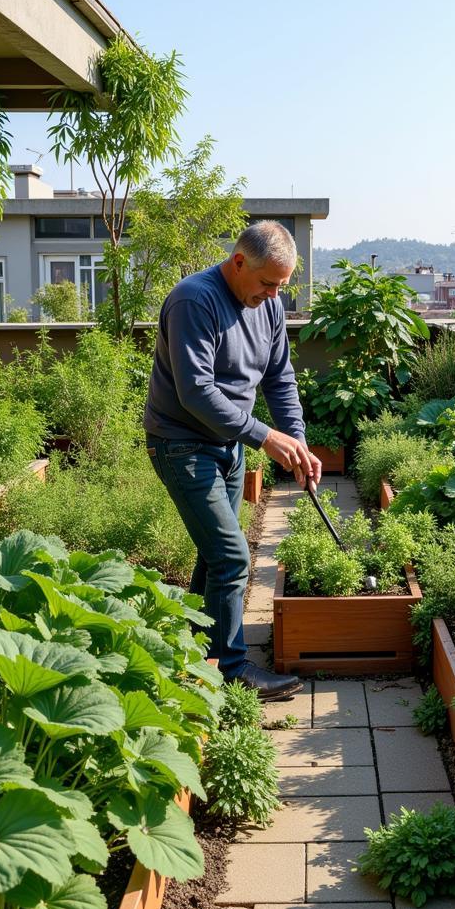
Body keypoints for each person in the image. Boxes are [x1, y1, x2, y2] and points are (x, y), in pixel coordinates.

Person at [144, 221, 321, 700]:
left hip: (228, 443)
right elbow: (196, 391)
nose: (273, 295)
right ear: (238, 262)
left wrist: (298, 443)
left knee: (213, 554)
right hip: (182, 442)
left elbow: (280, 378)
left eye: (281, 286)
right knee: (231, 556)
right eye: (267, 284)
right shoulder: (193, 300)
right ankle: (233, 671)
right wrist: (266, 437)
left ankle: (197, 654)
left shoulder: (268, 307)